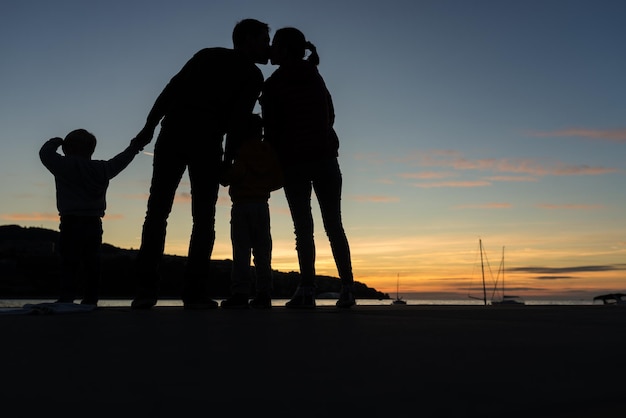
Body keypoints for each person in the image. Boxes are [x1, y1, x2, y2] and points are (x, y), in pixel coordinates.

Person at [130, 19, 271, 310]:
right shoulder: (252, 74)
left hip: (173, 133)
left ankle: (146, 292)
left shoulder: (207, 55)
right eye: (263, 40)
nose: (267, 47)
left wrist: (149, 126)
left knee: (157, 212)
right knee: (203, 218)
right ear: (246, 40)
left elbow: (172, 90)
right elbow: (237, 120)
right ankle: (193, 294)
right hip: (204, 142)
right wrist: (228, 161)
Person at [260, 27, 356, 309]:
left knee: (303, 228)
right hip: (325, 158)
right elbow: (331, 114)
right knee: (334, 225)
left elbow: (272, 129)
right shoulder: (315, 75)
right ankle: (347, 288)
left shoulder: (274, 83)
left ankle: (306, 289)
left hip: (295, 162)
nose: (271, 50)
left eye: (275, 45)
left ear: (286, 49)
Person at [39, 129, 143, 306]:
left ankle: (66, 297)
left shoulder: (63, 165)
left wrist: (57, 140)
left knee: (68, 261)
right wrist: (133, 148)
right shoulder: (101, 168)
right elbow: (121, 161)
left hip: (70, 221)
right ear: (91, 149)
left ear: (67, 148)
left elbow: (45, 153)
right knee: (92, 263)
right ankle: (91, 298)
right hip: (93, 222)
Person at [219, 114, 283, 309]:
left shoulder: (242, 150)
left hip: (242, 205)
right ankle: (264, 293)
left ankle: (240, 293)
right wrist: (263, 187)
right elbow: (279, 179)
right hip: (262, 205)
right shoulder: (268, 150)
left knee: (241, 250)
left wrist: (224, 176)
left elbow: (235, 173)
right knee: (263, 251)